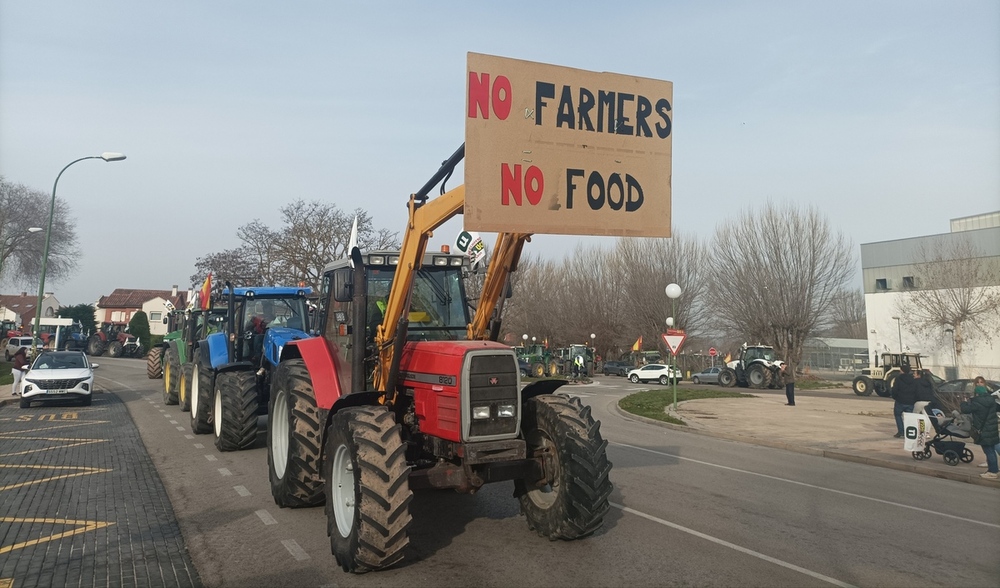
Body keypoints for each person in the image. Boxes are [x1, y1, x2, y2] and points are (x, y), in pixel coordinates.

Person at [961, 376, 999, 480]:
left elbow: (965, 410)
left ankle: (993, 472)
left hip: (982, 431)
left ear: (977, 392)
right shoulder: (992, 400)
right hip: (992, 429)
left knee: (989, 451)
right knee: (992, 449)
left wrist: (963, 401)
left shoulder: (976, 402)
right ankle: (993, 470)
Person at [890, 364, 917, 438]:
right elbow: (915, 390)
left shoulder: (898, 379)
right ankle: (908, 432)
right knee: (909, 417)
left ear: (901, 370)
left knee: (898, 415)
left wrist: (895, 397)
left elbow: (895, 390)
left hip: (900, 400)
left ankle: (901, 431)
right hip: (911, 401)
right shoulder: (913, 379)